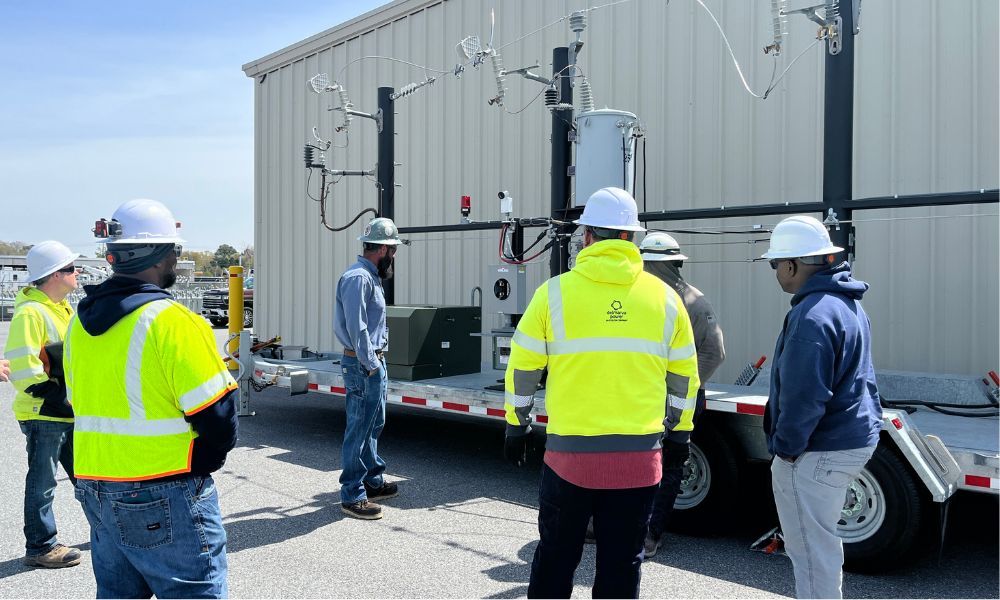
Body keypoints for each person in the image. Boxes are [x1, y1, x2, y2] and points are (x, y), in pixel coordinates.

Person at [503, 187, 700, 599]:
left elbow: (522, 369)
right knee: (622, 565)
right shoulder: (666, 299)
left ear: (587, 236)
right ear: (631, 239)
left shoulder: (553, 293)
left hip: (569, 460)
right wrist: (680, 434)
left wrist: (516, 426)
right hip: (640, 461)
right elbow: (685, 378)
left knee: (556, 558)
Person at [66, 199, 238, 598]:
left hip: (97, 486)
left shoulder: (78, 325)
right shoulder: (173, 321)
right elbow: (219, 418)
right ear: (163, 255)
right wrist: (204, 458)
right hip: (166, 489)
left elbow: (79, 402)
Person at [761, 215, 882, 599]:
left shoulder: (811, 316)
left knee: (811, 553)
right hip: (850, 439)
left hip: (817, 449)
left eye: (775, 263)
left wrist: (787, 449)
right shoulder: (846, 304)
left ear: (793, 264)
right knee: (823, 547)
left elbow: (804, 395)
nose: (776, 271)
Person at [640, 232, 726, 557]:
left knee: (669, 464)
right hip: (651, 399)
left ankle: (651, 533)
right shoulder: (649, 299)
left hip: (680, 401)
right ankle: (634, 526)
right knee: (645, 463)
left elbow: (714, 352)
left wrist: (679, 388)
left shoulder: (691, 301)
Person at [4, 241, 81, 568]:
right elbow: (23, 365)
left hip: (65, 410)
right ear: (54, 275)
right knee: (43, 483)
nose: (76, 273)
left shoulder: (61, 308)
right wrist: (53, 396)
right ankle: (40, 546)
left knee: (87, 475)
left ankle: (111, 530)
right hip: (44, 413)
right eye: (70, 268)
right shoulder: (32, 312)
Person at [334, 217, 404, 520]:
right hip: (364, 363)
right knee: (359, 428)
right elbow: (357, 327)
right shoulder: (358, 278)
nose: (394, 257)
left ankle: (372, 481)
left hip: (373, 361)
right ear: (383, 249)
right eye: (393, 250)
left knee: (374, 424)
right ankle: (352, 494)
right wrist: (372, 364)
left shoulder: (369, 275)